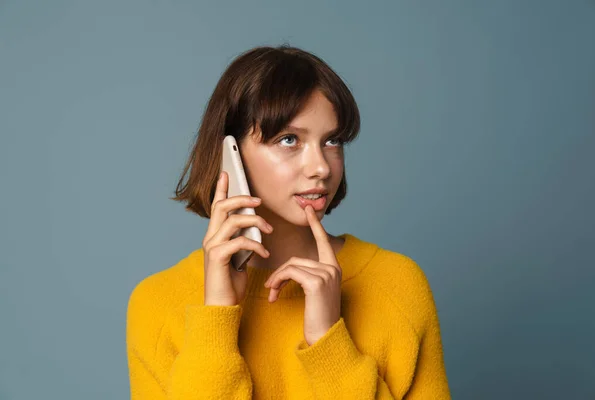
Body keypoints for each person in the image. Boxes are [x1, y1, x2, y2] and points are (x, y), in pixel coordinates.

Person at [126, 45, 451, 399]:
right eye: (289, 140)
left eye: (332, 141)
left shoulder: (397, 284)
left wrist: (329, 343)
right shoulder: (157, 304)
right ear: (229, 153)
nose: (322, 168)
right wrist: (215, 318)